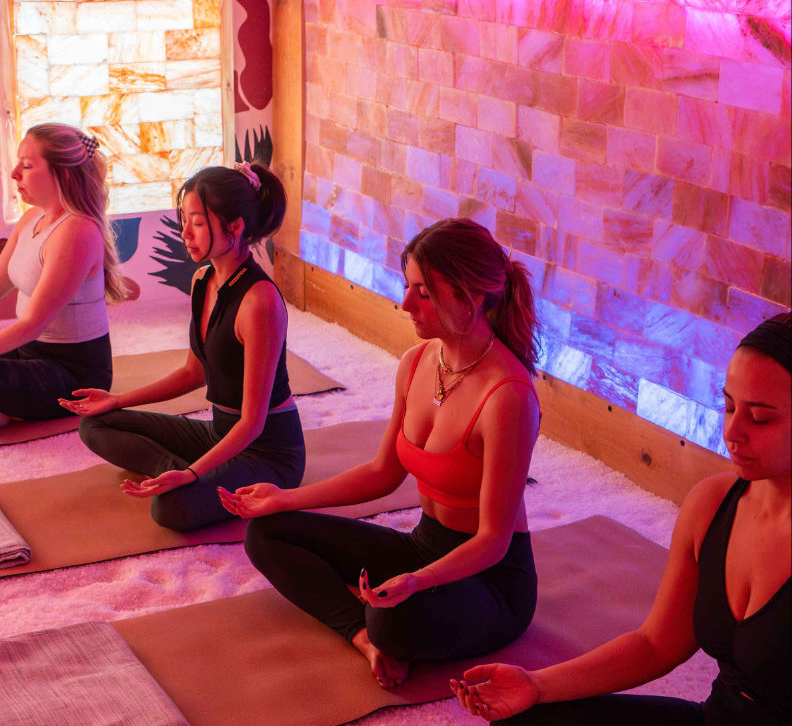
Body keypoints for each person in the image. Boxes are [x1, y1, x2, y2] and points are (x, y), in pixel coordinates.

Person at [218, 217, 542, 687]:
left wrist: (418, 581)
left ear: (470, 300)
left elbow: (493, 541)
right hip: (422, 545)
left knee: (392, 619)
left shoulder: (508, 396)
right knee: (267, 532)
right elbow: (382, 472)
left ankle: (381, 631)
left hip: (490, 581)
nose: (405, 302)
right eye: (406, 286)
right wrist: (283, 499)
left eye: (423, 293)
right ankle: (363, 637)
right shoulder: (416, 363)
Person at [452, 312, 791, 726]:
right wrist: (537, 684)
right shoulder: (712, 503)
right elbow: (655, 644)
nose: (732, 432)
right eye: (729, 406)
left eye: (760, 417)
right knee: (525, 717)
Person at [59, 163, 305, 532]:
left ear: (235, 227)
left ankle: (182, 476)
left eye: (197, 222)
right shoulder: (203, 279)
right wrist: (116, 399)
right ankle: (174, 471)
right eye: (184, 220)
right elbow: (195, 372)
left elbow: (252, 424)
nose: (185, 233)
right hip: (218, 433)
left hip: (268, 452)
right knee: (96, 423)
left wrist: (192, 473)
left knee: (170, 509)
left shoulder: (260, 302)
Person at [0, 123, 125, 426]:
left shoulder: (77, 232)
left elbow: (31, 325)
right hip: (30, 354)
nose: (14, 173)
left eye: (27, 165)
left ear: (62, 174)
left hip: (73, 374)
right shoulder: (32, 218)